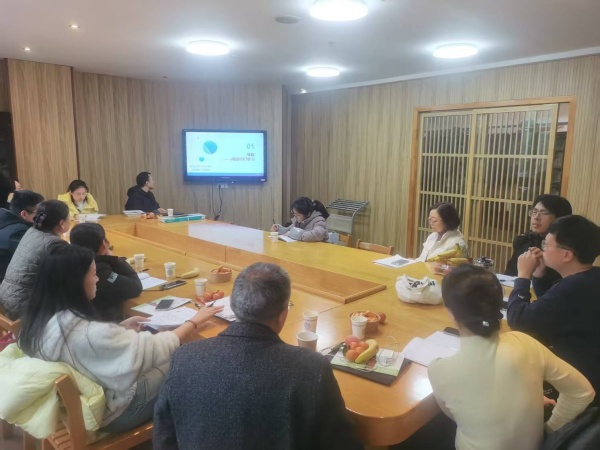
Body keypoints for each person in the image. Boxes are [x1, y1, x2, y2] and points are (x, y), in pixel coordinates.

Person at [154, 262, 364, 449]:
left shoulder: (184, 357)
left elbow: (164, 438)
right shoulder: (311, 368)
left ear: (233, 306)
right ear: (283, 316)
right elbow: (342, 443)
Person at [17, 244, 223, 433]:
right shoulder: (87, 333)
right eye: (94, 274)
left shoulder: (42, 319)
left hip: (81, 403)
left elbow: (91, 346)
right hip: (114, 412)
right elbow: (152, 349)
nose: (97, 280)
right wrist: (194, 322)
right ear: (75, 283)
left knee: (173, 357)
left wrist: (120, 328)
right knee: (190, 361)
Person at [429, 264, 594, 450]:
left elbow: (459, 416)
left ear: (451, 313)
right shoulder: (524, 342)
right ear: (500, 305)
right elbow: (582, 392)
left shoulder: (439, 370)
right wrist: (548, 429)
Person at [507, 215, 600, 397]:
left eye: (546, 245)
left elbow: (518, 320)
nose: (542, 249)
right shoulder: (590, 277)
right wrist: (539, 275)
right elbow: (554, 308)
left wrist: (523, 276)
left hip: (577, 385)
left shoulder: (574, 287)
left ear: (567, 255)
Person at [0, 200, 70, 319]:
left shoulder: (32, 231)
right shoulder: (54, 243)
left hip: (7, 295)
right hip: (23, 305)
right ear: (62, 223)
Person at [70, 223, 142, 321]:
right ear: (103, 244)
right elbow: (135, 287)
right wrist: (115, 260)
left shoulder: (70, 262)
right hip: (104, 325)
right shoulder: (100, 271)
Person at [504, 195, 572, 290]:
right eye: (534, 211)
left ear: (559, 218)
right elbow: (510, 274)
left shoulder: (566, 247)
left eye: (544, 213)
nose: (536, 217)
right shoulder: (524, 241)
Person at [0, 190, 45, 282]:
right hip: (8, 281)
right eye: (39, 213)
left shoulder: (4, 215)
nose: (42, 217)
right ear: (24, 214)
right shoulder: (17, 233)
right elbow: (34, 259)